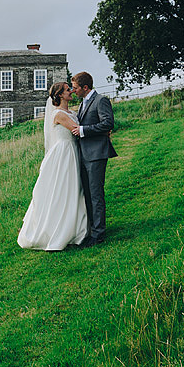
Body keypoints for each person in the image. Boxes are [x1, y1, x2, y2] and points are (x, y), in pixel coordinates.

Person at [18, 82, 88, 250]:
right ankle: (57, 231)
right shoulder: (58, 114)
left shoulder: (70, 112)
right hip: (63, 154)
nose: (71, 91)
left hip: (73, 151)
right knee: (62, 189)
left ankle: (76, 228)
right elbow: (76, 130)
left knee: (74, 190)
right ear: (60, 95)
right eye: (67, 90)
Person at [65, 71, 117, 246]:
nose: (73, 91)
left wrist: (83, 130)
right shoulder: (83, 103)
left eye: (76, 88)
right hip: (84, 154)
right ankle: (90, 229)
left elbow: (108, 123)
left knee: (95, 194)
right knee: (87, 193)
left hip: (96, 154)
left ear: (85, 88)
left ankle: (99, 234)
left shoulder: (100, 100)